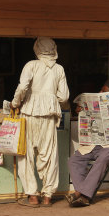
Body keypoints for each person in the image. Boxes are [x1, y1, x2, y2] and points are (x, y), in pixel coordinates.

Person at [10, 37, 69, 207]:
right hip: (49, 116)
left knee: (26, 155)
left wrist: (15, 102)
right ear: (54, 49)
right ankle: (48, 196)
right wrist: (51, 99)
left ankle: (33, 196)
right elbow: (64, 97)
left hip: (28, 113)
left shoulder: (31, 65)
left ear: (37, 49)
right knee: (49, 156)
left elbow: (22, 88)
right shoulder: (59, 69)